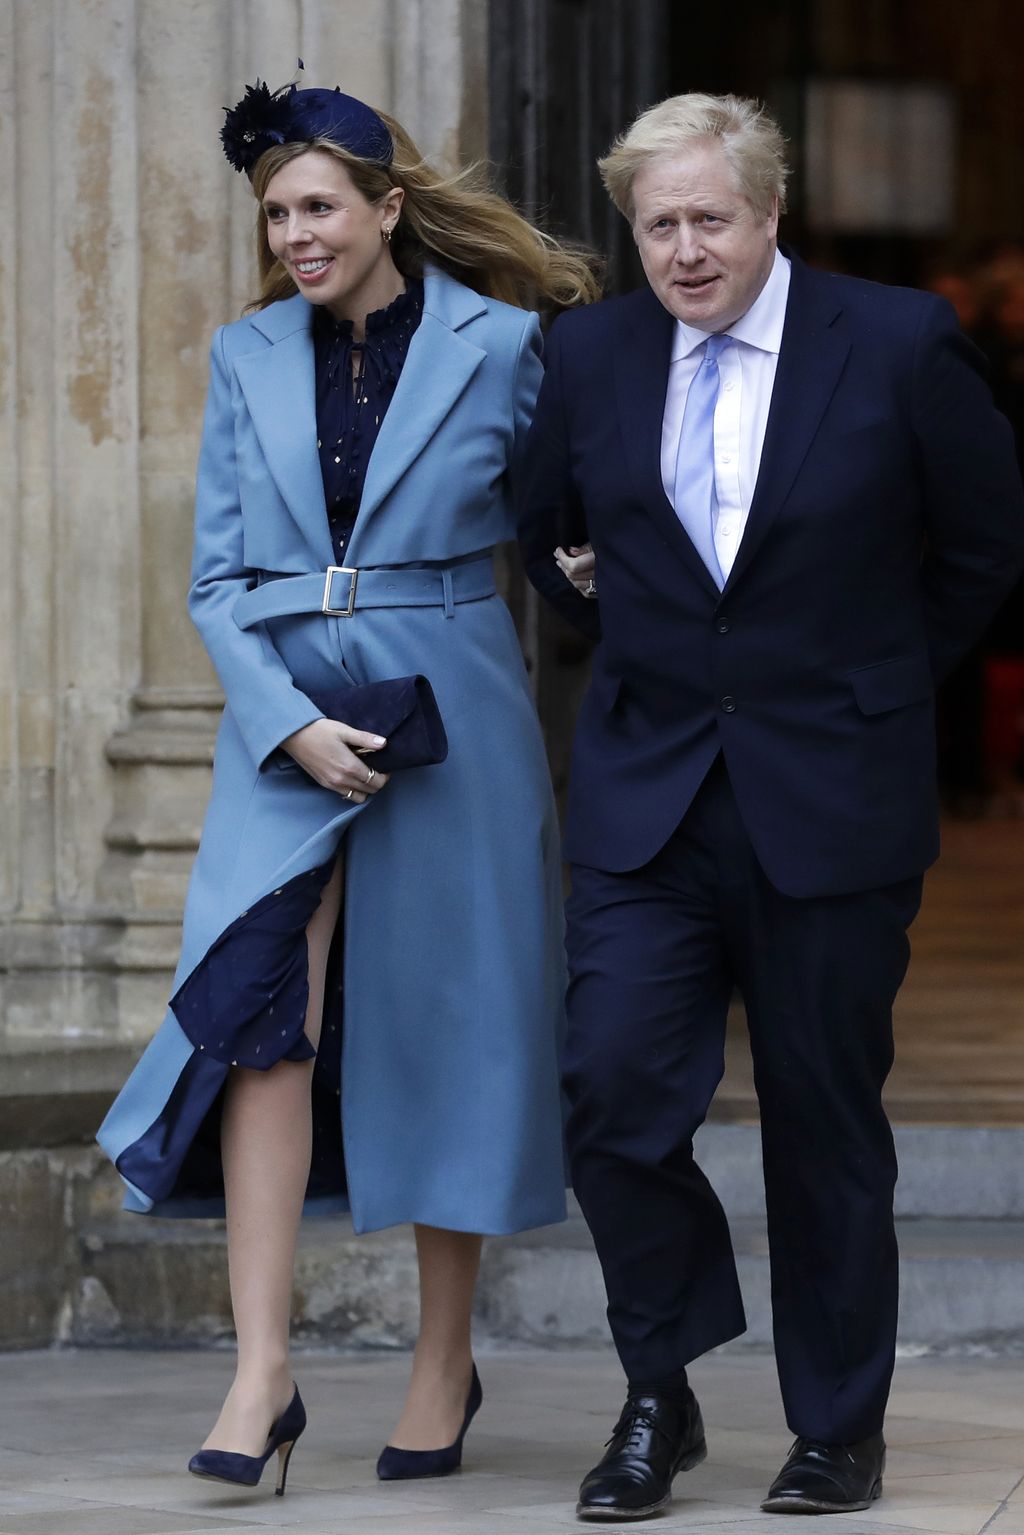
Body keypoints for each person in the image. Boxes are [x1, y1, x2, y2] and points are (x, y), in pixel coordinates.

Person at [518, 92, 1024, 1521]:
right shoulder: (593, 349)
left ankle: (836, 1428)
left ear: (769, 212)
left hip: (831, 792)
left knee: (823, 1120)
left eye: (708, 220)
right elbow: (543, 527)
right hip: (648, 792)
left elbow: (984, 544)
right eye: (658, 225)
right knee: (612, 1090)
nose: (683, 250)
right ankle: (661, 1392)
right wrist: (613, 615)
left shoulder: (901, 341)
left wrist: (871, 679)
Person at [99, 76, 598, 1495]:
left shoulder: (509, 347)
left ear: (388, 208)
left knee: (455, 1022)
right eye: (276, 213)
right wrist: (283, 723)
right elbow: (215, 581)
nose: (295, 233)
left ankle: (444, 1362)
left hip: (457, 709)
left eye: (319, 206)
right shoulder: (241, 354)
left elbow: (562, 528)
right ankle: (262, 1370)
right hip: (285, 723)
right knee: (264, 1016)